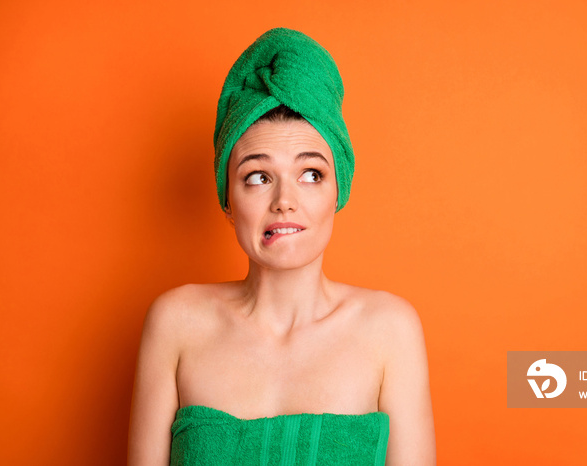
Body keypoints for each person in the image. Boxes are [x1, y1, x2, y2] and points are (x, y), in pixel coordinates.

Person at [127, 27, 436, 465]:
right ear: (228, 201)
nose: (284, 201)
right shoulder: (175, 325)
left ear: (337, 192)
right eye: (258, 177)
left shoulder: (391, 330)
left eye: (311, 174)